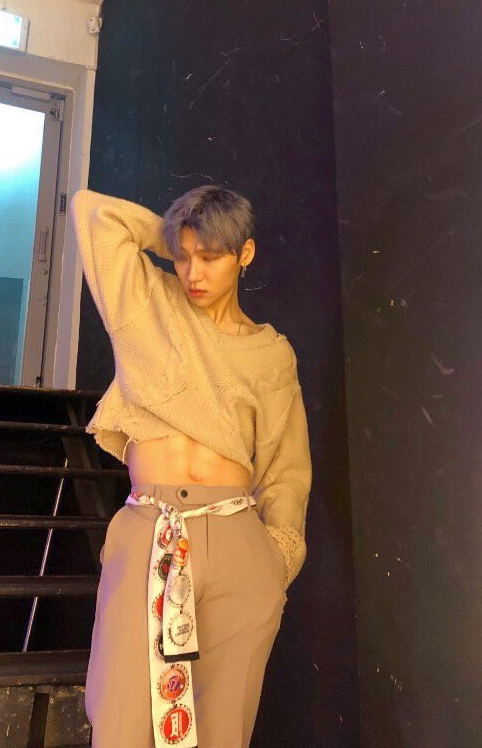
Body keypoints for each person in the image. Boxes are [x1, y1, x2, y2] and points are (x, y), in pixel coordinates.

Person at [70, 184, 312, 748]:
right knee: (119, 718)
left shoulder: (271, 354)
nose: (192, 273)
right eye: (183, 257)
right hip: (150, 528)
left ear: (245, 254)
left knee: (223, 728)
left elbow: (286, 468)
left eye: (211, 257)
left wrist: (278, 557)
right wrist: (180, 234)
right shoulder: (145, 303)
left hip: (237, 539)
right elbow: (92, 212)